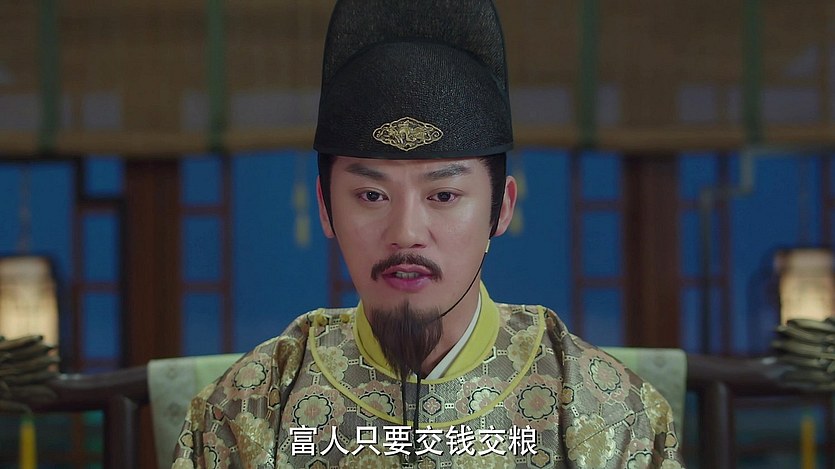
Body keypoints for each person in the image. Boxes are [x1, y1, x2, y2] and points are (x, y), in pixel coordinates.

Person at [172, 0, 684, 467]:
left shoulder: (605, 411)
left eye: (442, 195)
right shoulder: (250, 408)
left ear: (501, 209)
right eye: (372, 195)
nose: (406, 233)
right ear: (325, 208)